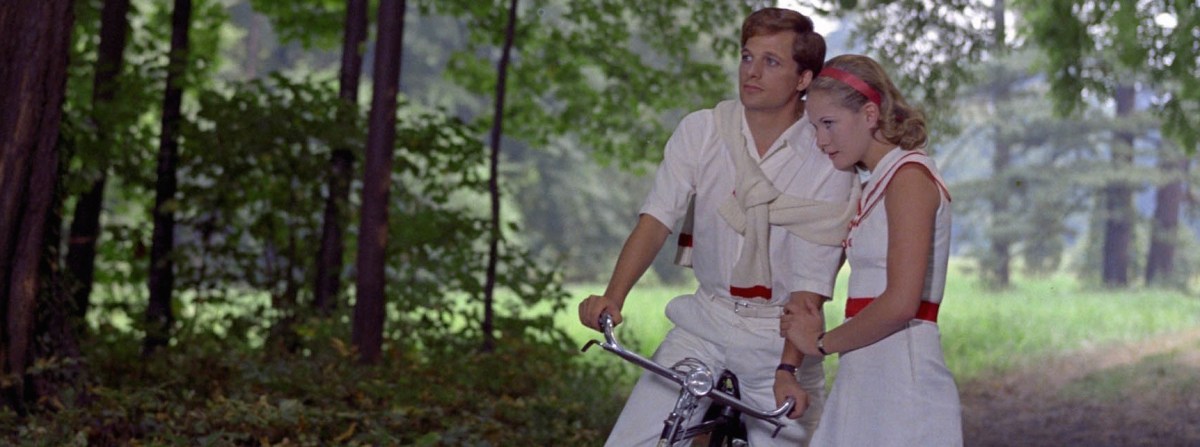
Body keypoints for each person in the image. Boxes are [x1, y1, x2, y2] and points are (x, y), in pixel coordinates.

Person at [578, 7, 856, 446]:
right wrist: (613, 296)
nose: (752, 72)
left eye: (771, 62)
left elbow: (811, 281)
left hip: (779, 337)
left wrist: (788, 369)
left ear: (804, 79)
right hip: (705, 321)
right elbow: (657, 218)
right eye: (747, 57)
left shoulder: (825, 152)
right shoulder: (704, 130)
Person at [780, 54, 963, 446]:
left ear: (869, 114)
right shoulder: (874, 185)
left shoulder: (909, 178)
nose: (821, 141)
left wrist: (820, 344)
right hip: (866, 371)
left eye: (829, 123)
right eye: (814, 127)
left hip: (903, 378)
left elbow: (901, 303)